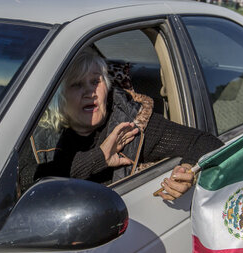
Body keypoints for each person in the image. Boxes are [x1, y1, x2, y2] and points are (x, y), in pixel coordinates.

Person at [21, 48, 223, 200]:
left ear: (106, 86)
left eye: (95, 81)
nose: (90, 92)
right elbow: (23, 181)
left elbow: (206, 142)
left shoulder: (130, 126)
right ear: (59, 96)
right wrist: (99, 158)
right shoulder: (35, 131)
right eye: (76, 85)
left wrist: (188, 170)